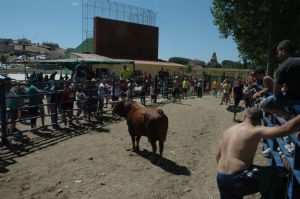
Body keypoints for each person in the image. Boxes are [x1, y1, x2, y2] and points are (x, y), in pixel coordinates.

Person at [216, 107, 300, 198]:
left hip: (221, 177)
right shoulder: (255, 130)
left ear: (245, 116)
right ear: (259, 120)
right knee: (282, 174)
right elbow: (284, 129)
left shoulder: (228, 130)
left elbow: (217, 155)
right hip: (239, 177)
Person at [260, 40, 300, 118]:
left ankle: (287, 115)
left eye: (278, 52)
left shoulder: (284, 66)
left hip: (292, 99)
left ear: (283, 51)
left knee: (263, 104)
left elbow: (276, 92)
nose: (277, 55)